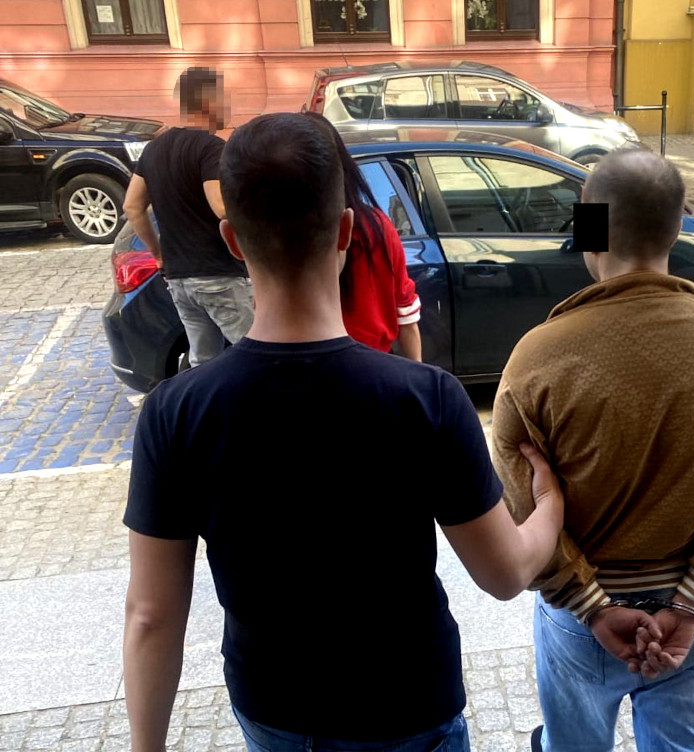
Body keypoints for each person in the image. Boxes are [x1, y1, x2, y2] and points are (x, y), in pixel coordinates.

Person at [121, 112, 564, 752]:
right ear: (348, 231)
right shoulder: (427, 399)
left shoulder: (174, 412)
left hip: (275, 708)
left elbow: (151, 616)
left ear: (232, 239)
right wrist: (549, 502)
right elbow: (505, 573)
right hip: (409, 706)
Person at [492, 148, 694, 752]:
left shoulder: (537, 358)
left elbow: (520, 505)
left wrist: (594, 608)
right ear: (678, 227)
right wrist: (690, 605)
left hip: (583, 622)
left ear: (588, 226)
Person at [123, 66, 254, 368]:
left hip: (179, 278)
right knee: (255, 355)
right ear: (207, 101)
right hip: (218, 274)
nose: (229, 106)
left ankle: (206, 400)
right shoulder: (211, 147)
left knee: (203, 361)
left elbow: (132, 206)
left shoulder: (154, 148)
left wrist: (158, 253)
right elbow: (221, 207)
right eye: (225, 98)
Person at [302, 111, 422, 360]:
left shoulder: (277, 236)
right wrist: (418, 376)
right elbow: (407, 319)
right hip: (374, 364)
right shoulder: (375, 227)